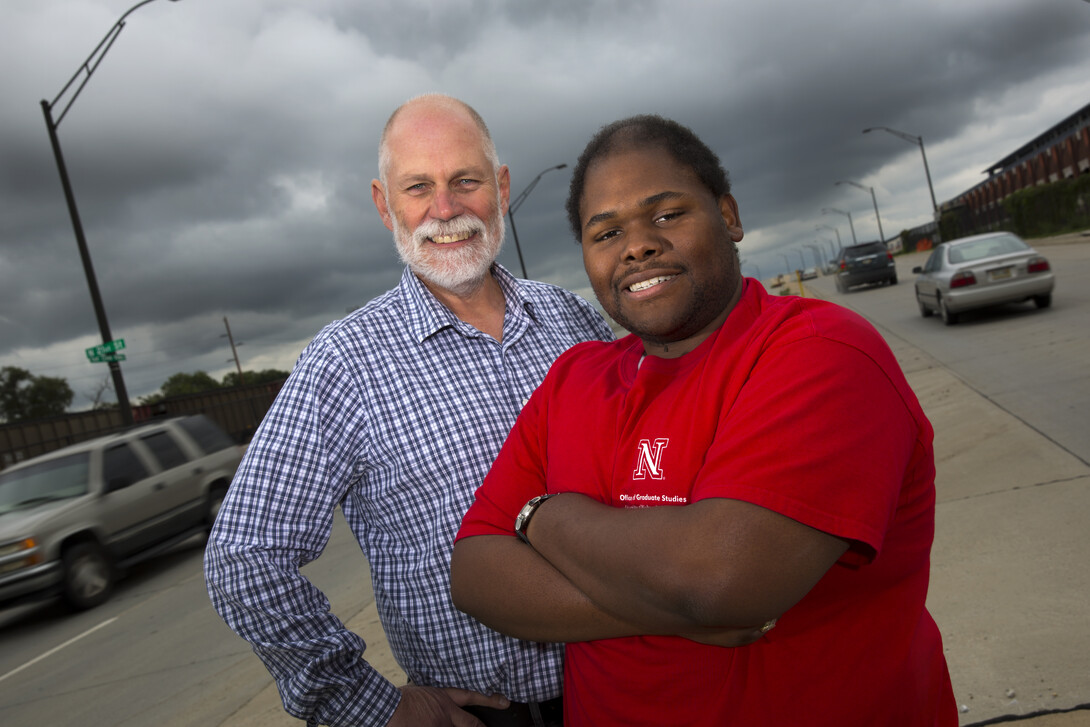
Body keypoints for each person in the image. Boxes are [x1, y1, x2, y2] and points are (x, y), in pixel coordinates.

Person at [451, 114, 958, 726]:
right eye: (605, 232)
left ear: (730, 216)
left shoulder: (820, 350)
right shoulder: (571, 380)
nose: (637, 245)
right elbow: (476, 574)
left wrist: (543, 516)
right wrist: (678, 603)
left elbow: (722, 580)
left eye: (667, 215)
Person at [204, 94, 614, 727]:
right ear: (383, 203)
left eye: (466, 181)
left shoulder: (574, 319)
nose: (445, 209)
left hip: (633, 685)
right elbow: (244, 555)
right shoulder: (343, 366)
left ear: (501, 188)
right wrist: (368, 706)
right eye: (418, 186)